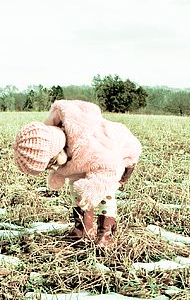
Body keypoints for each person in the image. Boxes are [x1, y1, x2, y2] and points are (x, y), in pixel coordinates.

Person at [12, 99, 142, 247]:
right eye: (49, 168)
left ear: (58, 146)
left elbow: (112, 167)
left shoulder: (89, 144)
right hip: (86, 161)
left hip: (121, 159)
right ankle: (82, 229)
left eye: (53, 163)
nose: (54, 168)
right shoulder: (64, 148)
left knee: (104, 193)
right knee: (77, 188)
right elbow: (67, 166)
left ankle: (105, 233)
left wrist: (93, 190)